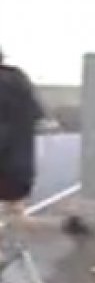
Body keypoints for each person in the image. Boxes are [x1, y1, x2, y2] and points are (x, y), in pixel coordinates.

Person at [0, 48, 44, 221]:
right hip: (20, 168)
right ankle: (66, 228)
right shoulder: (18, 79)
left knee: (16, 217)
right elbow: (36, 115)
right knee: (17, 217)